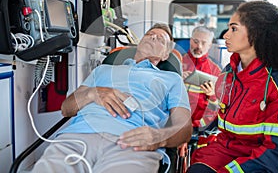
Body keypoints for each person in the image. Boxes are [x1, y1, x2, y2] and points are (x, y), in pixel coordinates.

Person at [31, 23, 192, 173]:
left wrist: (159, 138)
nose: (153, 37)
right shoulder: (103, 70)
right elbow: (66, 109)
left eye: (161, 39)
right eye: (150, 34)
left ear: (165, 55)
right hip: (77, 138)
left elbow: (184, 129)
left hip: (133, 143)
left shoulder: (171, 79)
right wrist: (91, 93)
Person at [188, 0, 278, 173]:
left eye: (234, 29)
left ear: (255, 34)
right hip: (228, 151)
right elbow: (225, 134)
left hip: (267, 163)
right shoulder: (228, 75)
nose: (225, 35)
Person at [182, 26, 222, 130]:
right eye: (196, 41)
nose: (198, 46)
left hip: (201, 129)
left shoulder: (216, 70)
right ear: (190, 41)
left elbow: (221, 106)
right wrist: (177, 80)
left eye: (203, 43)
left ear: (209, 46)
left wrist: (212, 94)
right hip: (176, 125)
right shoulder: (177, 62)